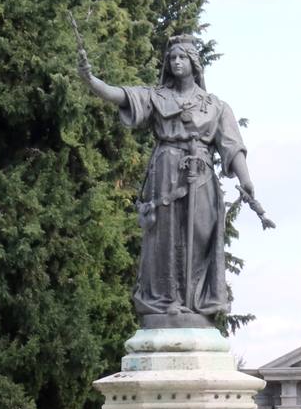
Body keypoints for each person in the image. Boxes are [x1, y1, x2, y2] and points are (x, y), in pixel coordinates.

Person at [80, 34, 261, 323]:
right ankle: (169, 301)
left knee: (200, 234)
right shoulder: (157, 97)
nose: (176, 62)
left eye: (182, 58)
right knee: (165, 238)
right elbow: (122, 95)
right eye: (172, 58)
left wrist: (246, 178)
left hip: (201, 176)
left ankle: (197, 302)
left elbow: (231, 145)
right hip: (165, 172)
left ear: (194, 64)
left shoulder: (215, 106)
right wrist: (92, 81)